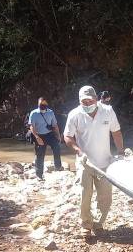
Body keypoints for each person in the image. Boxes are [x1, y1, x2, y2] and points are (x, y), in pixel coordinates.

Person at [64, 85, 124, 237]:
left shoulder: (108, 111)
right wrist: (78, 151)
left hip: (105, 162)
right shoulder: (75, 115)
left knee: (106, 197)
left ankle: (98, 223)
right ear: (80, 101)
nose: (88, 105)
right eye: (84, 102)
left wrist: (121, 153)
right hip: (85, 163)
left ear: (96, 99)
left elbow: (116, 132)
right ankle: (86, 224)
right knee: (85, 194)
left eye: (90, 101)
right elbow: (68, 136)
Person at [28, 97, 63, 179]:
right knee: (40, 155)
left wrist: (58, 136)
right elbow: (31, 126)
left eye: (44, 105)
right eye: (41, 105)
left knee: (57, 146)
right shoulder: (34, 113)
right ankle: (39, 174)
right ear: (38, 105)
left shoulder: (50, 112)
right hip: (39, 135)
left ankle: (58, 167)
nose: (42, 107)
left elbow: (55, 125)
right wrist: (37, 137)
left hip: (50, 134)